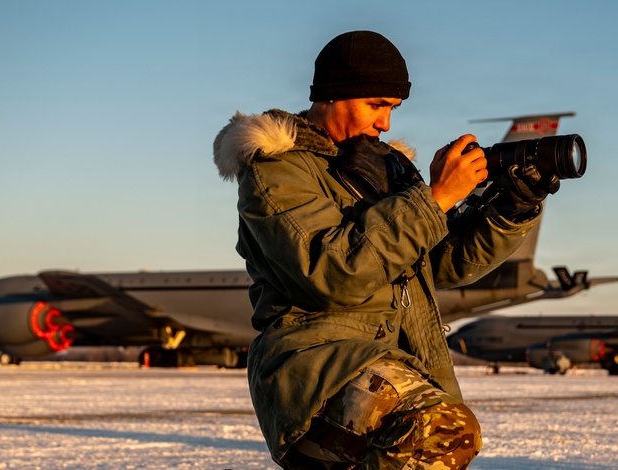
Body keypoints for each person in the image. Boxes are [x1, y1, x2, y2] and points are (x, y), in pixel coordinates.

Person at [212, 30, 559, 469]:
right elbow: (334, 274)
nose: (386, 125)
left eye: (392, 109)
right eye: (377, 106)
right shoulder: (277, 169)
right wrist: (433, 199)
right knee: (443, 432)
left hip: (387, 359)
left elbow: (440, 263)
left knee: (439, 437)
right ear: (335, 96)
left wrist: (512, 207)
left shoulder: (382, 167)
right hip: (316, 365)